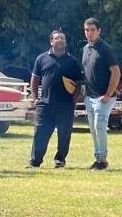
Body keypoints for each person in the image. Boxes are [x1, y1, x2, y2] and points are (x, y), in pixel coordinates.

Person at [28, 30, 83, 169]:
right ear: (51, 41)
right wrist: (35, 98)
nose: (61, 40)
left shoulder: (72, 61)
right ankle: (35, 161)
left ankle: (60, 160)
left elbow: (78, 84)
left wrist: (73, 101)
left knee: (64, 134)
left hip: (65, 105)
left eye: (63, 38)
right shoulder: (41, 59)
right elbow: (34, 80)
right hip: (45, 104)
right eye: (57, 38)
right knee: (40, 133)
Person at [82, 17, 121, 171]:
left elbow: (116, 73)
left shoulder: (105, 48)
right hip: (90, 97)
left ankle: (102, 160)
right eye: (87, 30)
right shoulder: (85, 49)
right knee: (93, 128)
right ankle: (98, 159)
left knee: (99, 126)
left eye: (92, 30)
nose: (89, 33)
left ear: (99, 31)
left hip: (104, 98)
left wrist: (107, 94)